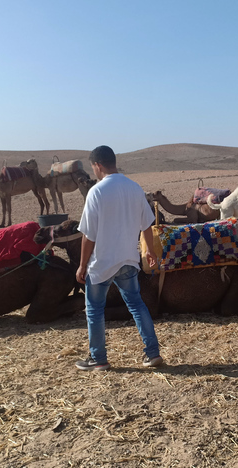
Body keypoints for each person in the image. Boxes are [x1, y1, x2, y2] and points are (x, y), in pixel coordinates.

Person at [75, 145, 163, 371]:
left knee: (94, 309)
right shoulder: (134, 188)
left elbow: (88, 235)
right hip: (128, 260)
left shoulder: (97, 191)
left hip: (102, 263)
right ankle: (152, 353)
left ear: (98, 165)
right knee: (136, 304)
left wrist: (82, 265)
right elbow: (147, 224)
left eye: (93, 167)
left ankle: (98, 358)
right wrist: (149, 252)